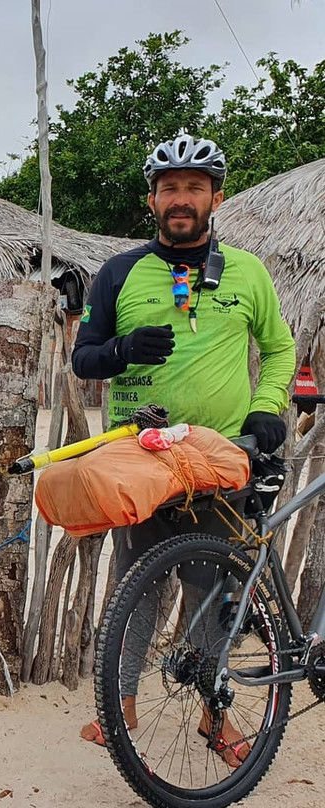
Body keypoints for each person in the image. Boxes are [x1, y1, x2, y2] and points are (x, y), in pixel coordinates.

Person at [70, 134, 296, 767]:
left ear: (215, 198)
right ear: (152, 200)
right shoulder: (117, 273)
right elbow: (83, 356)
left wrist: (265, 408)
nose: (182, 198)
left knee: (213, 589)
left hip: (218, 459)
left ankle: (213, 716)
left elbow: (280, 349)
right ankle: (125, 704)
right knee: (135, 586)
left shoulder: (249, 272)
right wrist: (121, 351)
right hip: (142, 456)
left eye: (195, 187)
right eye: (170, 187)